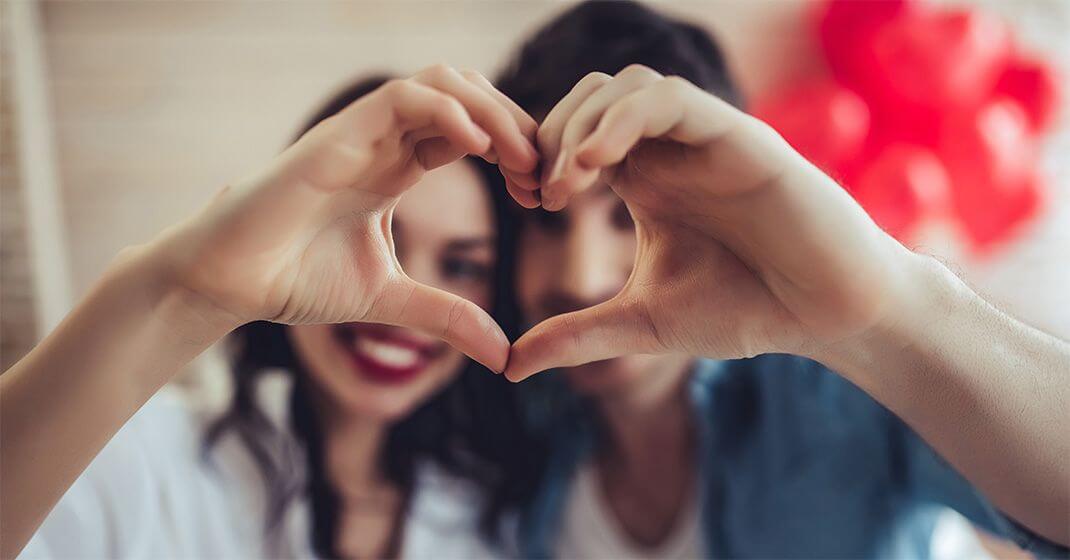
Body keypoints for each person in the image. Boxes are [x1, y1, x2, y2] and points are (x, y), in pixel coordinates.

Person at [492, 2, 1070, 558]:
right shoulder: (513, 431)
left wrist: (891, 310)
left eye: (627, 217)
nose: (581, 276)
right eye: (545, 222)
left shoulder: (840, 393)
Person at [1, 68, 541, 559]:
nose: (404, 308)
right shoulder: (135, 459)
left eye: (464, 265)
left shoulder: (502, 520)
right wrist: (184, 298)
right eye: (377, 243)